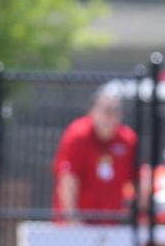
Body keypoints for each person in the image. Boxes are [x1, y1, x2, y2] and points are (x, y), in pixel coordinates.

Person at [52, 90, 138, 222]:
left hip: (110, 225)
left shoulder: (127, 140)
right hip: (77, 224)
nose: (111, 117)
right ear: (92, 112)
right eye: (106, 111)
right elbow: (68, 178)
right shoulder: (78, 136)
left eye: (116, 111)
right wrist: (72, 218)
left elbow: (138, 180)